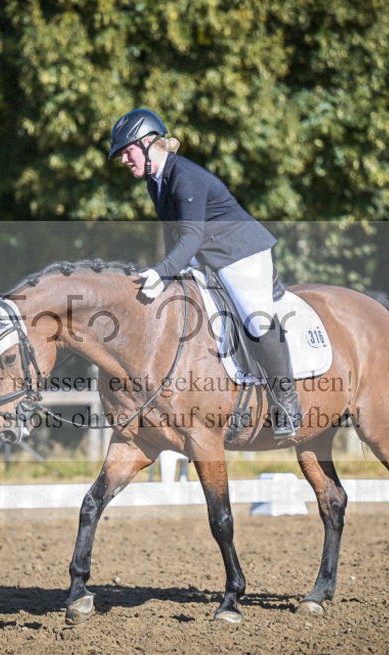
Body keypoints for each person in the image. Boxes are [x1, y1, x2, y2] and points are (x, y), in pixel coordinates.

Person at [108, 108, 304, 438]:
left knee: (257, 320)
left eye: (127, 152)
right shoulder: (156, 182)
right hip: (205, 258)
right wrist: (168, 273)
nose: (125, 160)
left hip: (241, 253)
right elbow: (176, 235)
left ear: (147, 143)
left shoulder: (185, 177)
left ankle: (287, 401)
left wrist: (164, 270)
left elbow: (191, 235)